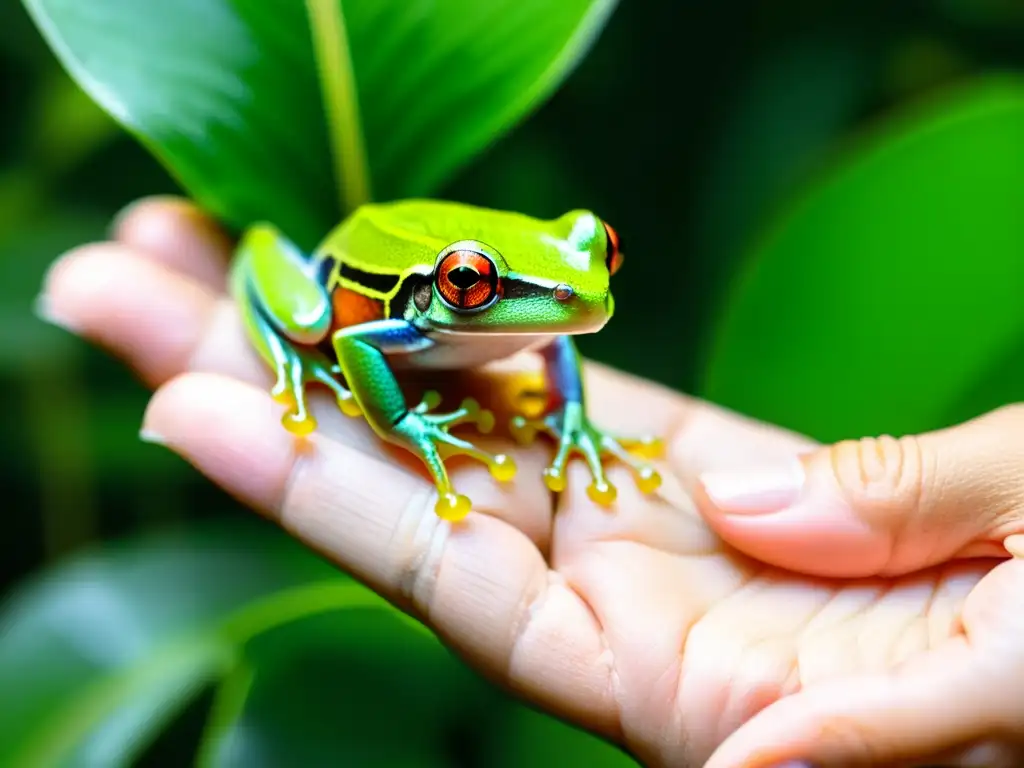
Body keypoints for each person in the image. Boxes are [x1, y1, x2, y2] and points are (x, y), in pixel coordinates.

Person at [37, 197, 1024, 768]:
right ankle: (292, 350)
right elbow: (358, 339)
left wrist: (573, 416)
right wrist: (404, 419)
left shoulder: (549, 302)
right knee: (307, 335)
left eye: (600, 257)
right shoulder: (411, 312)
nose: (580, 291)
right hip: (348, 284)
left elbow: (556, 320)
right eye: (474, 287)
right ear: (452, 288)